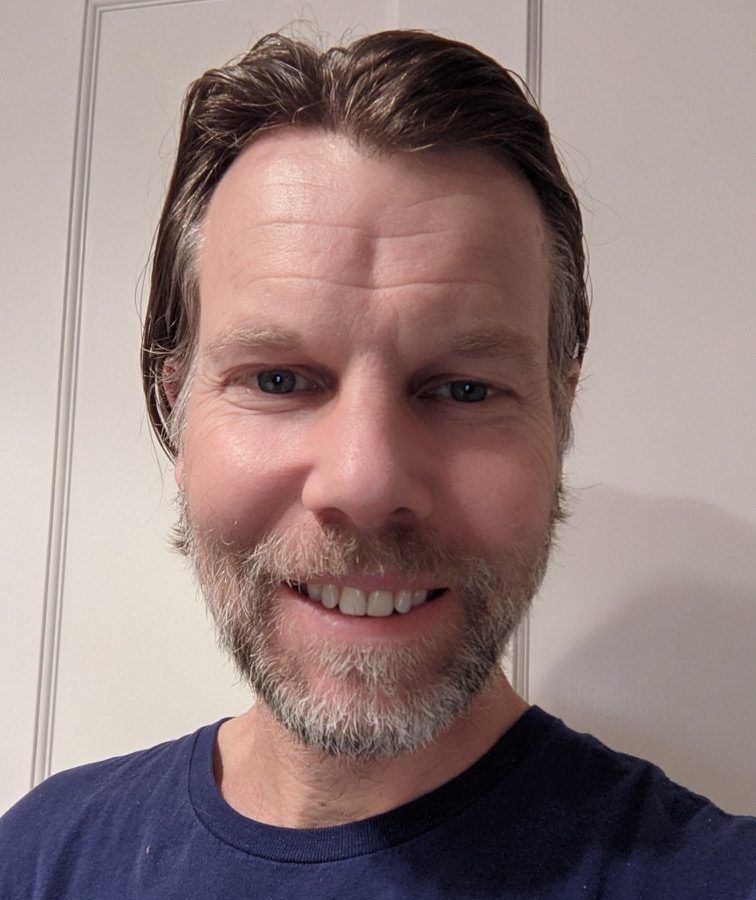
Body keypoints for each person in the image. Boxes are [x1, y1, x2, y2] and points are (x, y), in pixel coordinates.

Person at [1, 29, 754, 899]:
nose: (365, 483)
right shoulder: (42, 858)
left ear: (562, 409)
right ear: (175, 404)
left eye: (466, 389)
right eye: (278, 379)